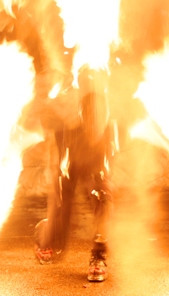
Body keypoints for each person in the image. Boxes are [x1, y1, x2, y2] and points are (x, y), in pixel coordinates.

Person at [34, 67, 116, 282]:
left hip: (95, 172)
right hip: (70, 170)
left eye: (99, 115)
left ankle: (98, 256)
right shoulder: (70, 134)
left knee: (103, 198)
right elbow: (48, 125)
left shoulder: (110, 132)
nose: (94, 121)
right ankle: (46, 238)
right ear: (82, 114)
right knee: (61, 203)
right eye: (89, 115)